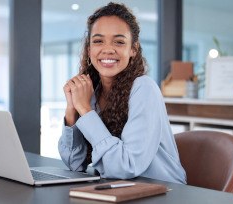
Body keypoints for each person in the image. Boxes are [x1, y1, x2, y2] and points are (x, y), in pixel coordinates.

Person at [58, 2, 186, 184]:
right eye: (98, 41)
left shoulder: (144, 88)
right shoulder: (91, 92)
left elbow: (126, 166)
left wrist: (86, 111)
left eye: (119, 42)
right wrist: (72, 110)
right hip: (119, 189)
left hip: (162, 192)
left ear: (133, 49)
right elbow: (74, 164)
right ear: (89, 50)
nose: (108, 49)